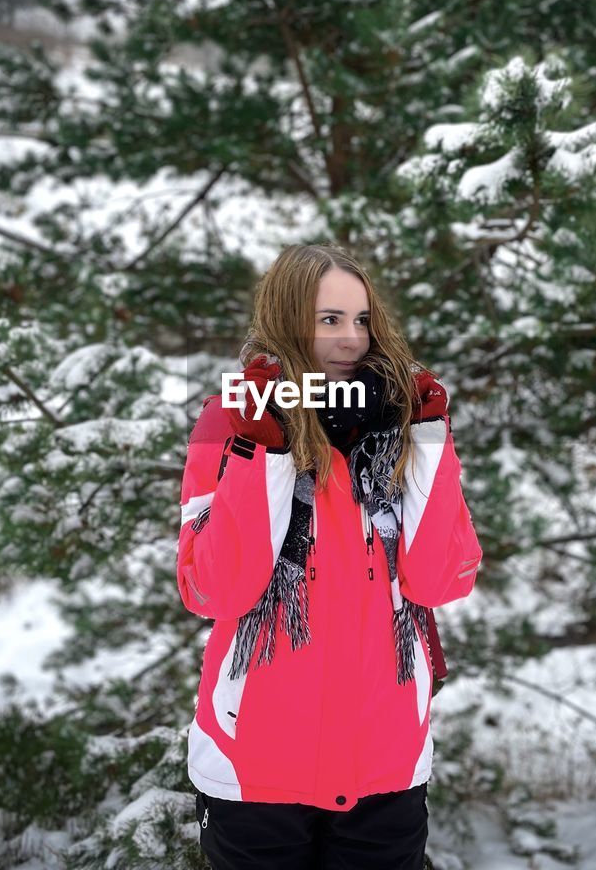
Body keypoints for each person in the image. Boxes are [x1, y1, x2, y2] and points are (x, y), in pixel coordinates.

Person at [176, 243, 484, 869]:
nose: (350, 338)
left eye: (361, 319)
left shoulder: (402, 427)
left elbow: (438, 580)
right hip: (255, 761)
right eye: (329, 319)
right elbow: (214, 590)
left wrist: (428, 440)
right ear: (289, 320)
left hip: (385, 760)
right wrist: (262, 451)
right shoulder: (227, 422)